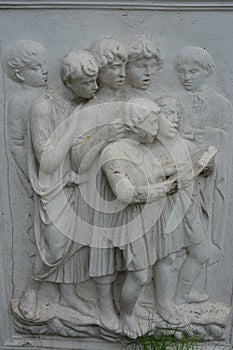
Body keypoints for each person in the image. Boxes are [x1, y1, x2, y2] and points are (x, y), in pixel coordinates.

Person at [18, 50, 99, 321]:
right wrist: (75, 124)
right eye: (88, 83)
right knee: (54, 247)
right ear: (70, 82)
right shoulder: (43, 107)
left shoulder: (85, 103)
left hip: (81, 182)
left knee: (78, 242)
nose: (95, 88)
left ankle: (68, 294)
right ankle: (32, 288)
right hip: (54, 187)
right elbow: (49, 160)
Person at [149, 96, 215, 322]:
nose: (175, 119)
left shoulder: (186, 144)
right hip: (165, 210)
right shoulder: (151, 148)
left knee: (201, 252)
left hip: (189, 207)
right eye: (168, 114)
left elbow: (205, 168)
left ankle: (183, 294)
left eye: (177, 114)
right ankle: (163, 304)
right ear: (155, 119)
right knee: (166, 258)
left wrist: (207, 165)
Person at [174, 47, 233, 262]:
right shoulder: (173, 99)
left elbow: (226, 140)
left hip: (208, 177)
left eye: (193, 71)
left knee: (202, 228)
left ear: (207, 72)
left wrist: (203, 135)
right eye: (182, 72)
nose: (186, 77)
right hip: (179, 174)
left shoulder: (221, 104)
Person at [123, 34, 163, 99]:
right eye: (141, 66)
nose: (148, 72)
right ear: (126, 67)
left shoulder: (158, 100)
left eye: (153, 66)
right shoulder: (117, 99)